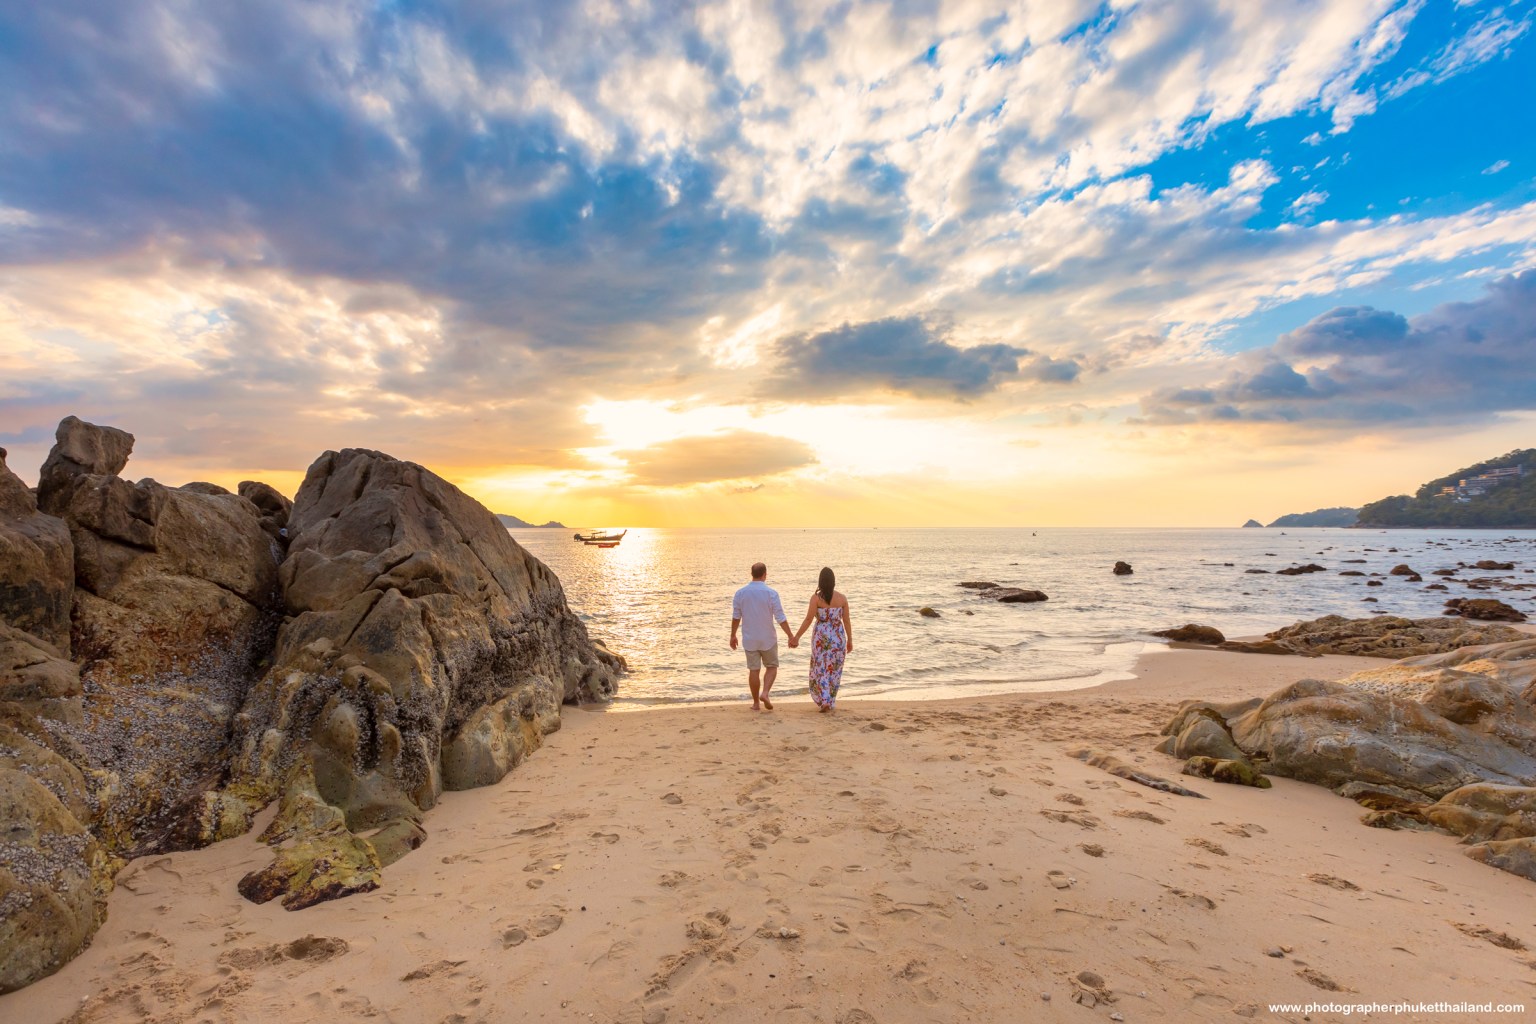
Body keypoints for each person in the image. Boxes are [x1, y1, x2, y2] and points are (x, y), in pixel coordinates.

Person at [730, 562, 797, 711]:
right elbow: (780, 617)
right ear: (765, 574)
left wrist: (733, 635)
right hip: (768, 639)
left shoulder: (740, 593)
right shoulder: (771, 593)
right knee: (772, 667)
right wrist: (790, 635)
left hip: (750, 639)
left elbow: (736, 617)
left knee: (754, 670)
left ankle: (756, 703)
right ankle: (765, 693)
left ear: (751, 574)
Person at [792, 566, 852, 712]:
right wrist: (850, 640)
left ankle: (824, 700)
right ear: (833, 581)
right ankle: (829, 700)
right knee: (834, 670)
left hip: (821, 638)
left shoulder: (816, 599)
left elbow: (808, 619)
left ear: (820, 582)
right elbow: (846, 621)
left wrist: (797, 637)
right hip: (838, 638)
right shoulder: (842, 598)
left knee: (821, 668)